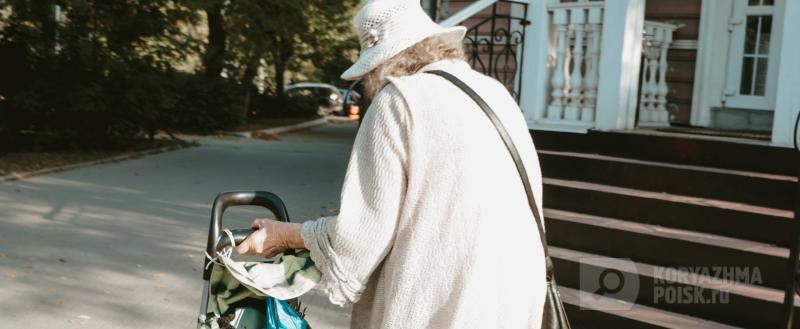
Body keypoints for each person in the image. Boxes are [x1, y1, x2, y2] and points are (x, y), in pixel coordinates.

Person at [236, 0, 548, 327]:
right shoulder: (495, 93)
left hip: (442, 306)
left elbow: (361, 237)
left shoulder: (399, 99)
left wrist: (287, 235)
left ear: (380, 63)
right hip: (513, 297)